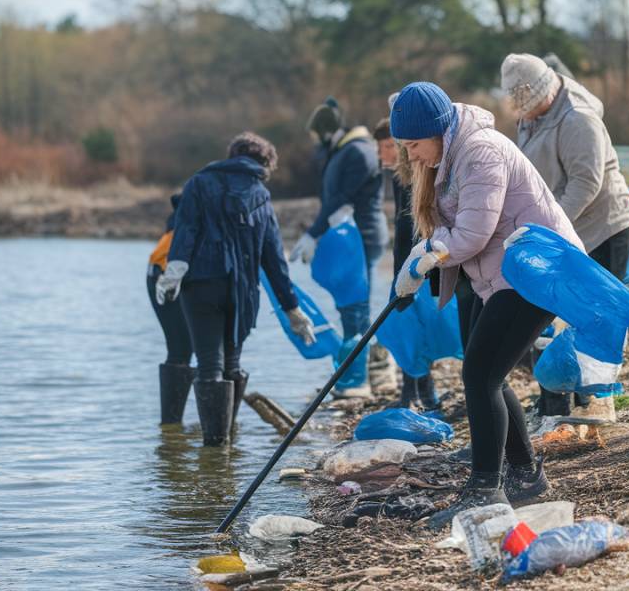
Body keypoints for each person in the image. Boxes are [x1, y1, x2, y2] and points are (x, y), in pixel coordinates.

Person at [388, 82, 583, 528]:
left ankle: (484, 490)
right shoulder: (448, 154)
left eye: (414, 144)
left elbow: (474, 234)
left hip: (538, 269)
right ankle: (524, 476)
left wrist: (424, 260)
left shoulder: (480, 152)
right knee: (488, 373)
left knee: (480, 373)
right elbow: (457, 232)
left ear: (437, 131)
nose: (412, 155)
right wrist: (419, 263)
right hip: (507, 273)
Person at [500, 52, 629, 421]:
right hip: (563, 230)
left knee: (599, 316)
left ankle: (599, 401)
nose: (524, 114)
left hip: (603, 226)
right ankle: (556, 403)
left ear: (546, 90)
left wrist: (550, 224)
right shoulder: (532, 117)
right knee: (554, 314)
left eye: (529, 106)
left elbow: (586, 182)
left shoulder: (577, 118)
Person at [157, 132, 315, 446]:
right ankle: (225, 441)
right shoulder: (260, 194)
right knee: (231, 364)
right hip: (242, 293)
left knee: (208, 364)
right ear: (264, 164)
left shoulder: (199, 183)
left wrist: (174, 271)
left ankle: (212, 449)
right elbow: (274, 259)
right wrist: (291, 308)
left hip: (200, 286)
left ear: (233, 155)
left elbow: (185, 231)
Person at [292, 97, 390, 398]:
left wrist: (314, 233)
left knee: (356, 307)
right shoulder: (345, 150)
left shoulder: (357, 152)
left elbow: (340, 200)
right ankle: (371, 372)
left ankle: (357, 381)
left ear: (326, 131)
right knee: (354, 306)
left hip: (362, 238)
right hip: (352, 239)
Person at [374, 115, 440, 410]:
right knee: (406, 324)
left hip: (420, 258)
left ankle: (422, 392)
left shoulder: (418, 168)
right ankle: (415, 391)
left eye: (388, 145)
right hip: (404, 258)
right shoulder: (400, 172)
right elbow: (402, 225)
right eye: (380, 147)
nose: (382, 153)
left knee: (418, 325)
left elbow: (415, 223)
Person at [148, 194, 194, 425]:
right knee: (181, 349)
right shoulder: (188, 213)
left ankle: (179, 427)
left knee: (194, 350)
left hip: (185, 275)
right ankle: (171, 427)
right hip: (162, 275)